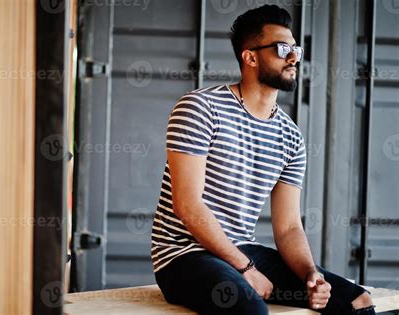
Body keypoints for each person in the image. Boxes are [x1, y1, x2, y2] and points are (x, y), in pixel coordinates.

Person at [150, 5, 376, 315]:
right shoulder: (200, 108)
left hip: (242, 249)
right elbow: (187, 205)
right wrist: (246, 270)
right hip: (183, 255)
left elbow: (288, 228)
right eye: (283, 49)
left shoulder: (290, 137)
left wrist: (311, 274)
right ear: (250, 57)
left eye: (295, 48)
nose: (294, 57)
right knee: (251, 310)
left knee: (357, 302)